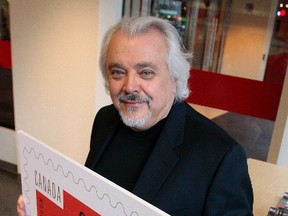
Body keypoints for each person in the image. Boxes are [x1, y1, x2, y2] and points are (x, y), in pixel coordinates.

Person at [18, 16, 253, 215]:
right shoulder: (106, 119)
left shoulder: (221, 156)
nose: (130, 86)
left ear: (175, 79)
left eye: (146, 72)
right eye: (118, 72)